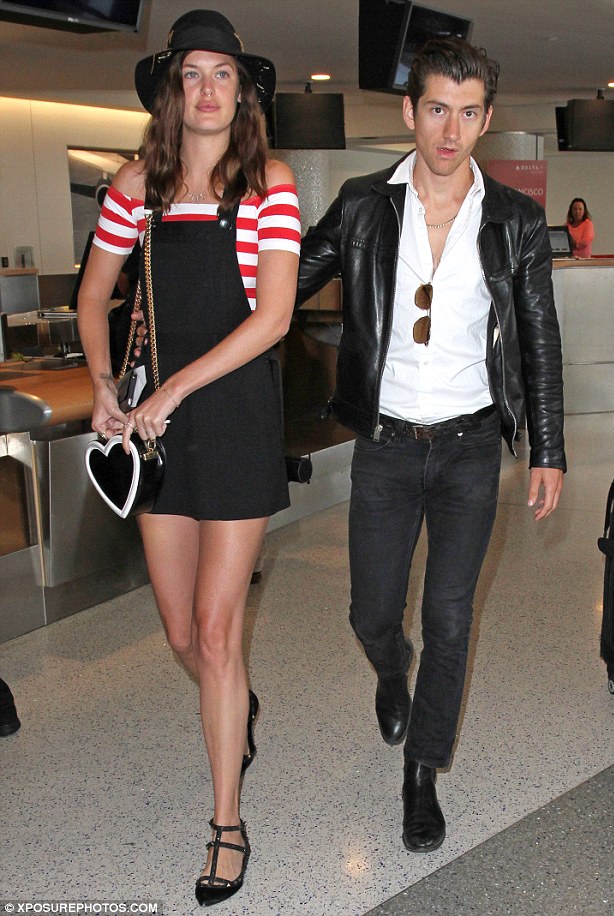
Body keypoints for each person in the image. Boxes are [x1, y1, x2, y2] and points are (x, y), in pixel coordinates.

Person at [297, 37, 565, 854]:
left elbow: (538, 337)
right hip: (384, 446)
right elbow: (285, 282)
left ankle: (422, 773)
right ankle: (390, 667)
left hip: (469, 448)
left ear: (487, 118)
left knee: (451, 614)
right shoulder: (363, 205)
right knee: (372, 612)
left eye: (469, 113)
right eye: (438, 110)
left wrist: (548, 449)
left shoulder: (515, 220)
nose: (451, 132)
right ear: (411, 112)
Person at [77, 9, 300, 906]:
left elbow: (273, 317)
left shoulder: (269, 183)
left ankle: (227, 825)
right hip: (156, 431)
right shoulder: (138, 184)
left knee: (215, 630)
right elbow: (94, 295)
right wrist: (105, 384)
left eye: (223, 73)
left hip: (235, 419)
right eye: (192, 73)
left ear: (243, 91)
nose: (207, 89)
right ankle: (233, 702)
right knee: (181, 636)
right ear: (173, 89)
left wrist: (172, 390)